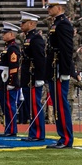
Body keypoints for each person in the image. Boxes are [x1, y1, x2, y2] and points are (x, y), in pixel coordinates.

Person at [45, 0, 75, 148]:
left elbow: (67, 49)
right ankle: (62, 136)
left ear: (59, 8)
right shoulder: (56, 24)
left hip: (59, 69)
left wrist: (65, 71)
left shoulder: (63, 24)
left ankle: (66, 139)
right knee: (57, 105)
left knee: (61, 105)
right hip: (53, 68)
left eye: (51, 7)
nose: (48, 9)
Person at [20, 11, 47, 141]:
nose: (21, 25)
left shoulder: (36, 39)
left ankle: (38, 133)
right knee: (30, 106)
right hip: (27, 76)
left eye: (23, 22)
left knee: (35, 105)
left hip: (33, 77)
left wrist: (40, 78)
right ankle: (33, 132)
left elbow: (40, 59)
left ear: (31, 23)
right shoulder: (28, 37)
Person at [0, 22, 22, 136]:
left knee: (9, 105)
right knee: (5, 106)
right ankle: (8, 128)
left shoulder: (13, 48)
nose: (2, 35)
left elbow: (13, 66)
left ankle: (11, 129)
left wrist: (11, 82)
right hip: (3, 79)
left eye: (5, 33)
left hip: (8, 80)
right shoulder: (8, 47)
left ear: (11, 34)